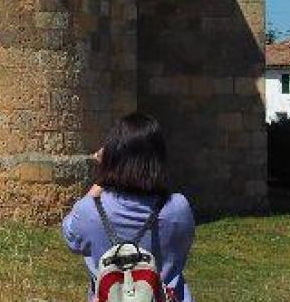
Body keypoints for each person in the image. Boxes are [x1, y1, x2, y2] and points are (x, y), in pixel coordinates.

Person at [62, 112, 196, 302]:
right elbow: (182, 248)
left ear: (112, 156)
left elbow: (71, 236)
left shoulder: (89, 211)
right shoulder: (178, 208)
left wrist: (102, 177)